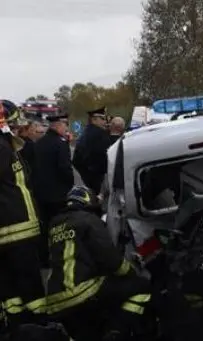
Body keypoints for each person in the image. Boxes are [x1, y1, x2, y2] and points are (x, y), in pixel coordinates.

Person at [46, 185, 153, 340]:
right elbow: (110, 259)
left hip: (56, 300)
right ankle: (116, 331)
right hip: (82, 291)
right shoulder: (89, 220)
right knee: (142, 288)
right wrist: (130, 272)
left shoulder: (54, 224)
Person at [0, 99, 46, 333]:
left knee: (11, 290)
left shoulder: (9, 146)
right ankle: (38, 327)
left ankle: (19, 328)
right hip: (17, 231)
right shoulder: (2, 147)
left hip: (16, 230)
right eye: (14, 124)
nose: (18, 128)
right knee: (29, 289)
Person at [33, 114, 74, 268]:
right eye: (65, 125)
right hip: (58, 194)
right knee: (60, 227)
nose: (66, 128)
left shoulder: (39, 143)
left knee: (44, 228)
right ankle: (60, 257)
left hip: (41, 193)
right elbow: (64, 168)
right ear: (58, 125)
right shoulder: (61, 143)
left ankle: (44, 259)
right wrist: (70, 184)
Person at [72, 106, 111, 195]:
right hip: (99, 177)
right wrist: (95, 174)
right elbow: (105, 156)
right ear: (94, 119)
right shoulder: (99, 134)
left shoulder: (86, 132)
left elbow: (76, 160)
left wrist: (86, 175)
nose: (105, 122)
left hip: (90, 178)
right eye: (102, 119)